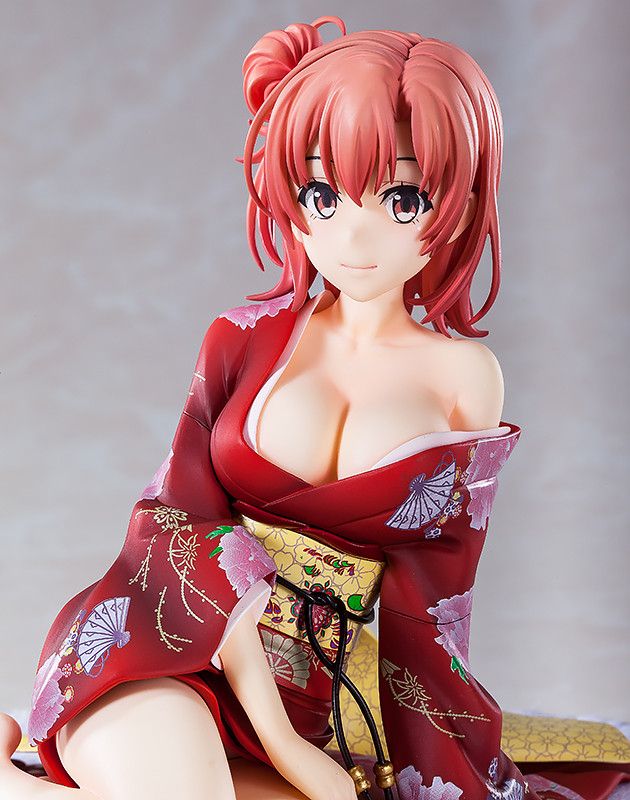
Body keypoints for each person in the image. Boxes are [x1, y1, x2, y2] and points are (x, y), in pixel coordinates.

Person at [1, 16, 628, 800]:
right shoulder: (241, 340)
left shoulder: (464, 378)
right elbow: (173, 529)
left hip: (316, 701)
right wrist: (282, 747)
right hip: (165, 644)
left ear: (463, 202)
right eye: (322, 194)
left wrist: (422, 768)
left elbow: (432, 603)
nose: (354, 236)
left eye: (402, 198)